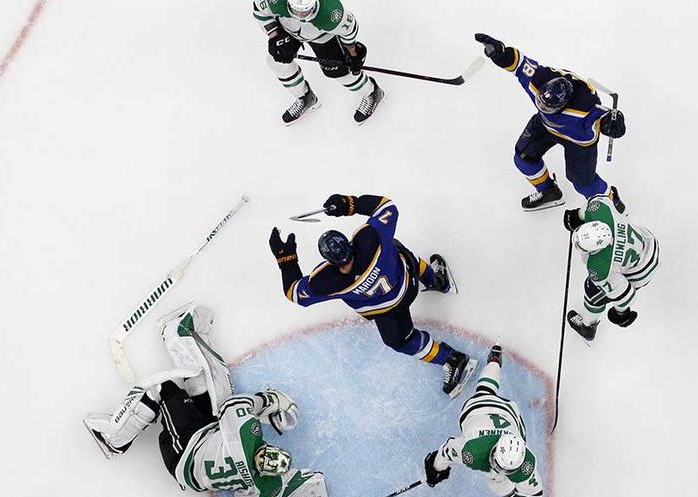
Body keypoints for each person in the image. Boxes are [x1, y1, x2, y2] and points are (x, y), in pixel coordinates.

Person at [85, 302, 328, 497]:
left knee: (163, 388)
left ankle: (113, 440)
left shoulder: (247, 437)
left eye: (264, 458)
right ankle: (179, 336)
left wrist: (272, 402)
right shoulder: (263, 486)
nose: (264, 454)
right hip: (206, 443)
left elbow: (236, 405)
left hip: (182, 453)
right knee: (204, 383)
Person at [269, 194, 477, 397]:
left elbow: (294, 293)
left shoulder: (327, 281)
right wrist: (349, 204)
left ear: (330, 261)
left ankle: (451, 359)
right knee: (395, 247)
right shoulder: (370, 239)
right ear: (349, 244)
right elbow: (387, 207)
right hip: (408, 281)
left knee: (399, 341)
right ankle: (435, 279)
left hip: (388, 312)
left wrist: (286, 261)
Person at [474, 32, 627, 212]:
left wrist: (614, 124)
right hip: (545, 126)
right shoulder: (539, 80)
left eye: (548, 107)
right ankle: (549, 192)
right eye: (541, 102)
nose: (541, 105)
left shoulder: (585, 107)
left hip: (578, 141)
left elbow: (606, 118)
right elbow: (519, 64)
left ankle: (611, 201)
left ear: (564, 104)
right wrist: (501, 53)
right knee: (523, 158)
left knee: (582, 183)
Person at [423, 344, 546, 497]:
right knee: (498, 483)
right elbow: (447, 451)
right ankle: (495, 360)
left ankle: (494, 361)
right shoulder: (472, 452)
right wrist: (437, 466)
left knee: (486, 387)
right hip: (475, 409)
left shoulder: (525, 462)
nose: (499, 467)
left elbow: (535, 494)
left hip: (508, 414)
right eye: (498, 463)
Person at [254, 0, 385, 124]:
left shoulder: (331, 13)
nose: (300, 15)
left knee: (342, 73)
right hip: (289, 28)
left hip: (322, 36)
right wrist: (276, 37)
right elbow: (259, 10)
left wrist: (353, 53)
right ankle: (306, 97)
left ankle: (372, 92)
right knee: (276, 62)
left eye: (305, 11)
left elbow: (350, 30)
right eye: (296, 10)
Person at [562, 196, 661, 343]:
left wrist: (621, 313)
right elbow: (598, 199)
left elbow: (625, 294)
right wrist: (579, 215)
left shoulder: (600, 267)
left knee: (592, 291)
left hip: (643, 270)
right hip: (649, 242)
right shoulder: (599, 209)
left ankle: (588, 327)